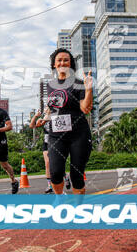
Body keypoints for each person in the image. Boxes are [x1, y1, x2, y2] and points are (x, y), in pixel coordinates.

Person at [37, 48, 93, 195]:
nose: (62, 62)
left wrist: (88, 90)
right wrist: (44, 119)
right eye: (59, 60)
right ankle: (59, 199)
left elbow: (85, 109)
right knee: (55, 172)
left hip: (78, 135)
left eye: (66, 60)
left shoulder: (79, 83)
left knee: (76, 175)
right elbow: (52, 108)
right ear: (54, 64)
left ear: (71, 64)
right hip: (56, 135)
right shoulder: (50, 85)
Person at [30, 110, 71, 194]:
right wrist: (36, 116)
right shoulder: (44, 119)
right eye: (45, 108)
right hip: (47, 142)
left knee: (58, 164)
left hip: (58, 142)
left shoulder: (58, 115)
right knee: (48, 163)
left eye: (48, 108)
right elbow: (32, 126)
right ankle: (50, 185)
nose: (46, 109)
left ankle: (65, 176)